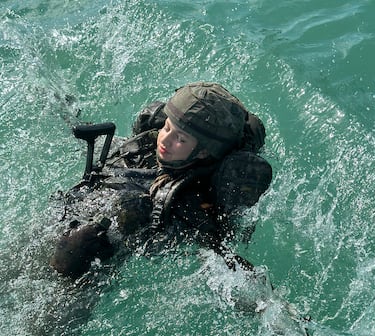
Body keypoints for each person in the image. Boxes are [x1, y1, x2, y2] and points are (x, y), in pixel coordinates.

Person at [50, 82, 272, 279]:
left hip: (90, 262)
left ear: (203, 152)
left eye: (181, 139)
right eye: (167, 127)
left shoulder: (189, 203)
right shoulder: (148, 147)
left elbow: (225, 261)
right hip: (70, 214)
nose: (166, 139)